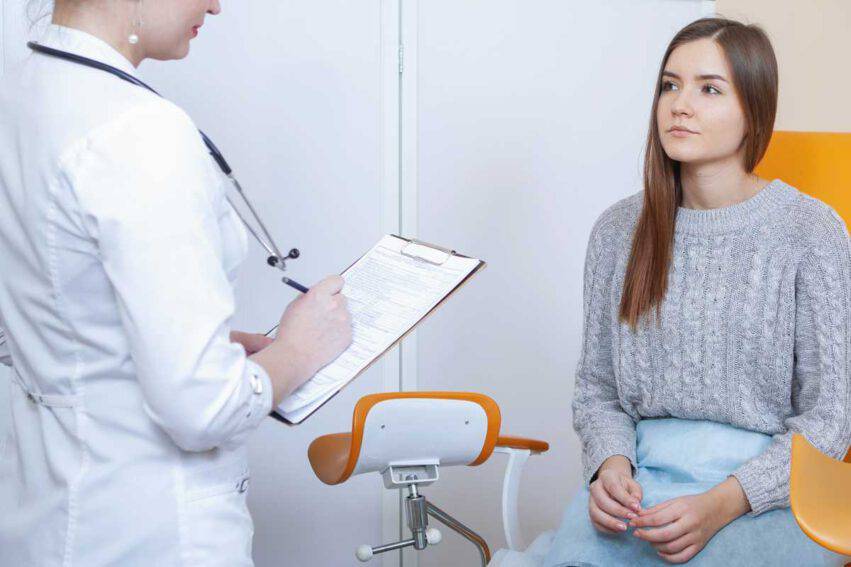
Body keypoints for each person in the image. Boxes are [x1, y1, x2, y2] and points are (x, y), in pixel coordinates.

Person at [0, 1, 352, 565]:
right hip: (151, 533)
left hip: (44, 518)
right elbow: (203, 410)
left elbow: (33, 318)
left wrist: (179, 343)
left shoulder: (23, 94)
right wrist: (300, 349)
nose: (216, 4)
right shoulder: (139, 131)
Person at [544, 17, 850, 566]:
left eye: (709, 89)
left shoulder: (810, 232)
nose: (680, 106)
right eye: (670, 85)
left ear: (755, 110)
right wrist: (610, 466)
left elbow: (830, 417)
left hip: (766, 496)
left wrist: (722, 503)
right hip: (641, 490)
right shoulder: (617, 231)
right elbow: (597, 390)